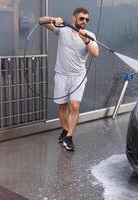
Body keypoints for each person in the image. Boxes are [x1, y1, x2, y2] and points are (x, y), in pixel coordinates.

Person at [39, 8, 99, 151]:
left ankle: (69, 137)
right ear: (74, 19)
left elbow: (95, 53)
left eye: (86, 19)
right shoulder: (62, 29)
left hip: (78, 76)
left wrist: (85, 40)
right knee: (63, 106)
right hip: (61, 75)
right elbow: (41, 21)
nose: (84, 22)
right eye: (81, 18)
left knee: (74, 106)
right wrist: (54, 20)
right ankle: (65, 131)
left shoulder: (89, 35)